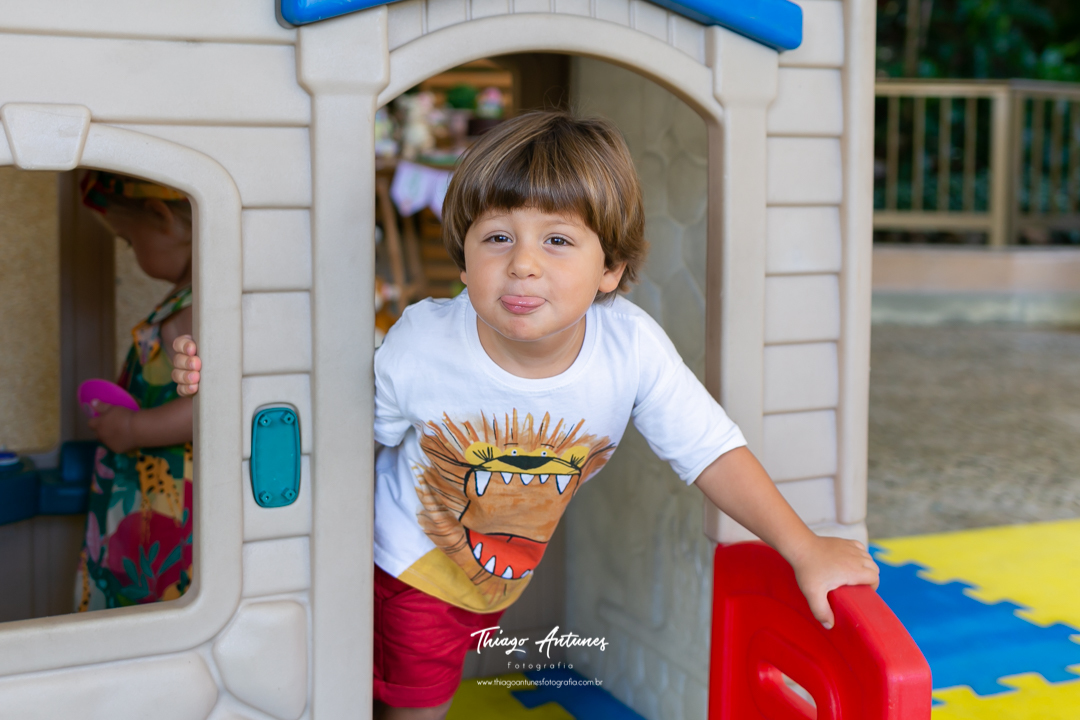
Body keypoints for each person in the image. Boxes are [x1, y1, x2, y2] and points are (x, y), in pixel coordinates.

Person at [171, 111, 879, 720]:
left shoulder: (628, 347)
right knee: (414, 703)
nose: (524, 265)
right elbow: (346, 436)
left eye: (558, 240)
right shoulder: (423, 342)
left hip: (494, 573)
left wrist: (804, 546)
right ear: (465, 255)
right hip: (404, 569)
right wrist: (229, 379)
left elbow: (711, 450)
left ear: (611, 269)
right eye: (498, 237)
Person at [75, 171, 195, 612]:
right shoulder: (185, 299)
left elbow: (211, 406)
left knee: (148, 598)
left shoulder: (194, 308)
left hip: (163, 504)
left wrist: (132, 427)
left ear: (162, 218)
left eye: (128, 240)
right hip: (151, 496)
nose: (129, 252)